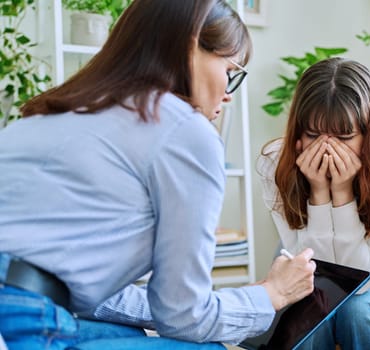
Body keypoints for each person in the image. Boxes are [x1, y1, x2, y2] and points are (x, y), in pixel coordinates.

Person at [0, 1, 316, 349]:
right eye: (230, 69)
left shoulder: (58, 110)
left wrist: (240, 301)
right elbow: (185, 317)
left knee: (126, 334)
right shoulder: (184, 130)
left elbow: (93, 295)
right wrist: (272, 294)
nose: (227, 94)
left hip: (21, 297)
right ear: (190, 44)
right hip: (20, 311)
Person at [257, 58, 370, 349]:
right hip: (322, 275)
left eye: (344, 137)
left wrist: (341, 193)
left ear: (368, 134)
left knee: (358, 312)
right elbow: (317, 267)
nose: (327, 149)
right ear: (298, 133)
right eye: (313, 135)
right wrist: (318, 194)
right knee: (312, 319)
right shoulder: (275, 164)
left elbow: (365, 280)